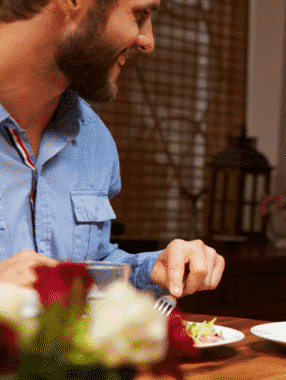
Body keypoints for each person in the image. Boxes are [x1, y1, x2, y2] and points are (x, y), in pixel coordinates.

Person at [0, 0, 224, 298]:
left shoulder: (93, 138)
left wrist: (153, 269)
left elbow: (89, 270)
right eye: (140, 13)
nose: (148, 42)